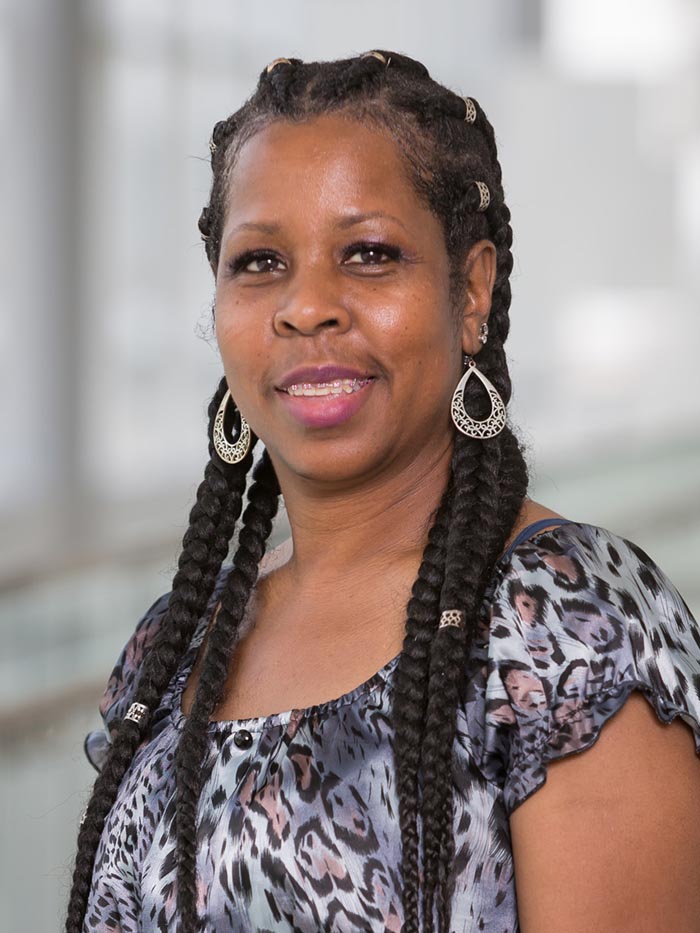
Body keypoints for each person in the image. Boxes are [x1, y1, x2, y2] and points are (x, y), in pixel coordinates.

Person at [66, 50, 700, 933]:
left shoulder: (557, 625)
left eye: (368, 253)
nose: (307, 305)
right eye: (259, 262)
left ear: (470, 287)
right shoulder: (173, 649)